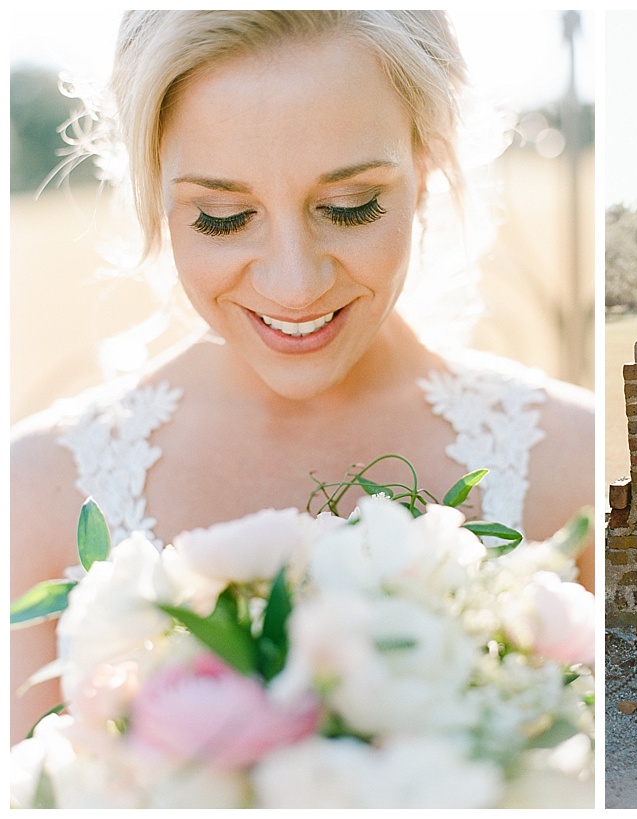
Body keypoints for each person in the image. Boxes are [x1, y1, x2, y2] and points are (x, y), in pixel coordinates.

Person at [10, 10, 595, 746]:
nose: (293, 285)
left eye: (351, 207)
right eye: (223, 217)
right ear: (153, 187)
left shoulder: (571, 458)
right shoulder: (36, 489)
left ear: (428, 163)